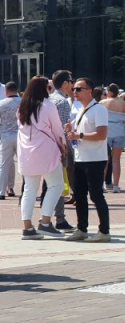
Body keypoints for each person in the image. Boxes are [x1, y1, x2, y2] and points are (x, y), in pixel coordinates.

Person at [17, 77, 68, 239]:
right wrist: (64, 145)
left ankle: (27, 226)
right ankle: (45, 222)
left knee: (29, 189)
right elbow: (57, 129)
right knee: (56, 185)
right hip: (46, 149)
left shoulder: (22, 107)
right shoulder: (47, 105)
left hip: (26, 151)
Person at [64, 77, 111, 242]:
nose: (75, 92)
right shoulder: (80, 110)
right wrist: (72, 132)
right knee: (80, 195)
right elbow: (79, 135)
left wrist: (79, 135)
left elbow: (101, 134)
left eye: (79, 89)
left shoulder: (98, 109)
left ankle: (104, 231)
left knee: (96, 195)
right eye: (74, 89)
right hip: (80, 158)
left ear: (89, 91)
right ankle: (81, 228)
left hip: (95, 159)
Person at [47, 70, 76, 231]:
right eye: (72, 82)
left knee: (52, 184)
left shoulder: (50, 99)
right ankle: (59, 218)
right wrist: (68, 149)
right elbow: (64, 129)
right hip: (61, 147)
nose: (73, 86)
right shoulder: (62, 102)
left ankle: (54, 218)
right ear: (65, 83)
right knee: (60, 184)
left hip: (49, 146)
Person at [101, 84, 125, 193]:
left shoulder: (103, 103)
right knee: (116, 160)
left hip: (107, 132)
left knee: (105, 160)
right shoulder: (124, 104)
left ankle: (102, 185)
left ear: (110, 92)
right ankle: (116, 186)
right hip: (120, 132)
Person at [0, 81, 20, 199]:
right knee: (23, 164)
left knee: (4, 164)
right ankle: (25, 189)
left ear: (6, 91)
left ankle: (1, 191)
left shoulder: (1, 103)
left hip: (6, 136)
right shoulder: (23, 102)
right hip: (21, 135)